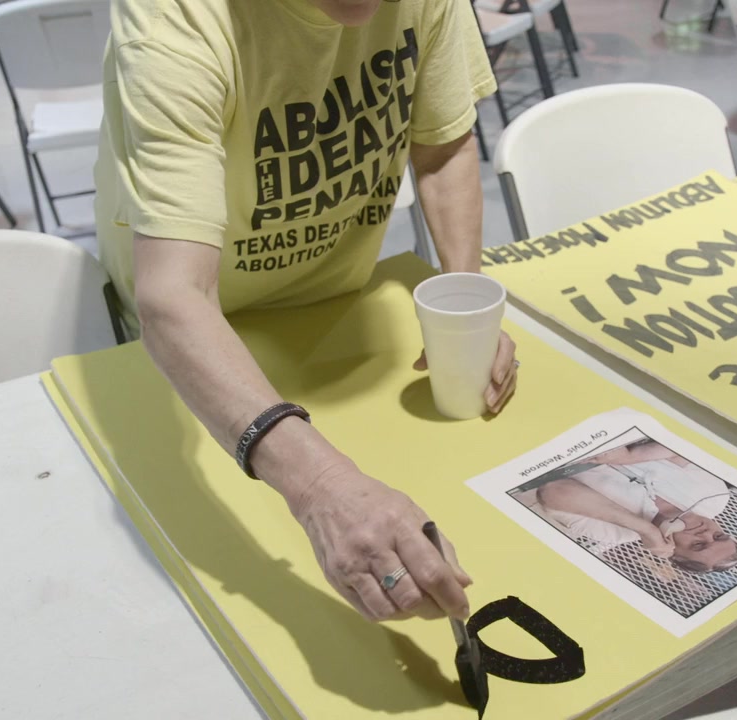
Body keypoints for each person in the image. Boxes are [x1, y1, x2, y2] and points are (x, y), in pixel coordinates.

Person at [93, 0, 515, 625]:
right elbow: (175, 298)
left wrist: (464, 304)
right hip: (201, 344)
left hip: (339, 311)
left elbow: (442, 148)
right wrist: (321, 490)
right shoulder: (174, 18)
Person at [536, 440, 737, 574]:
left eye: (698, 545)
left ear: (670, 550)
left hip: (552, 449)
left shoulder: (613, 533)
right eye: (719, 535)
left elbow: (552, 489)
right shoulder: (716, 497)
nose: (706, 533)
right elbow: (679, 447)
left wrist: (644, 528)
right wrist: (629, 457)